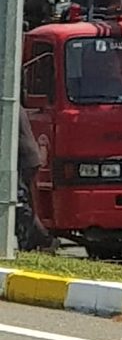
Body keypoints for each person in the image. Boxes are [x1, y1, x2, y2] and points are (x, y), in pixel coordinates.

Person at [17, 106, 56, 252]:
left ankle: (42, 240)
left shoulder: (8, 105)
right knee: (22, 201)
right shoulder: (12, 103)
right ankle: (35, 240)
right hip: (25, 158)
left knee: (19, 201)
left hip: (22, 158)